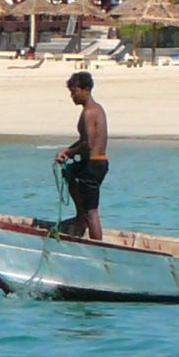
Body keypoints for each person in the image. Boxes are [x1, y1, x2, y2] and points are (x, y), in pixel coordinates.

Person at [55, 71, 110, 240]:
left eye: (74, 91)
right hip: (95, 163)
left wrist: (70, 152)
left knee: (92, 211)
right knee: (69, 172)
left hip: (93, 165)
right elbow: (84, 139)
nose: (72, 96)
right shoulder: (96, 108)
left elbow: (88, 144)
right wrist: (67, 150)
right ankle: (80, 215)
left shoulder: (89, 113)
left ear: (85, 89)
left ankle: (97, 247)